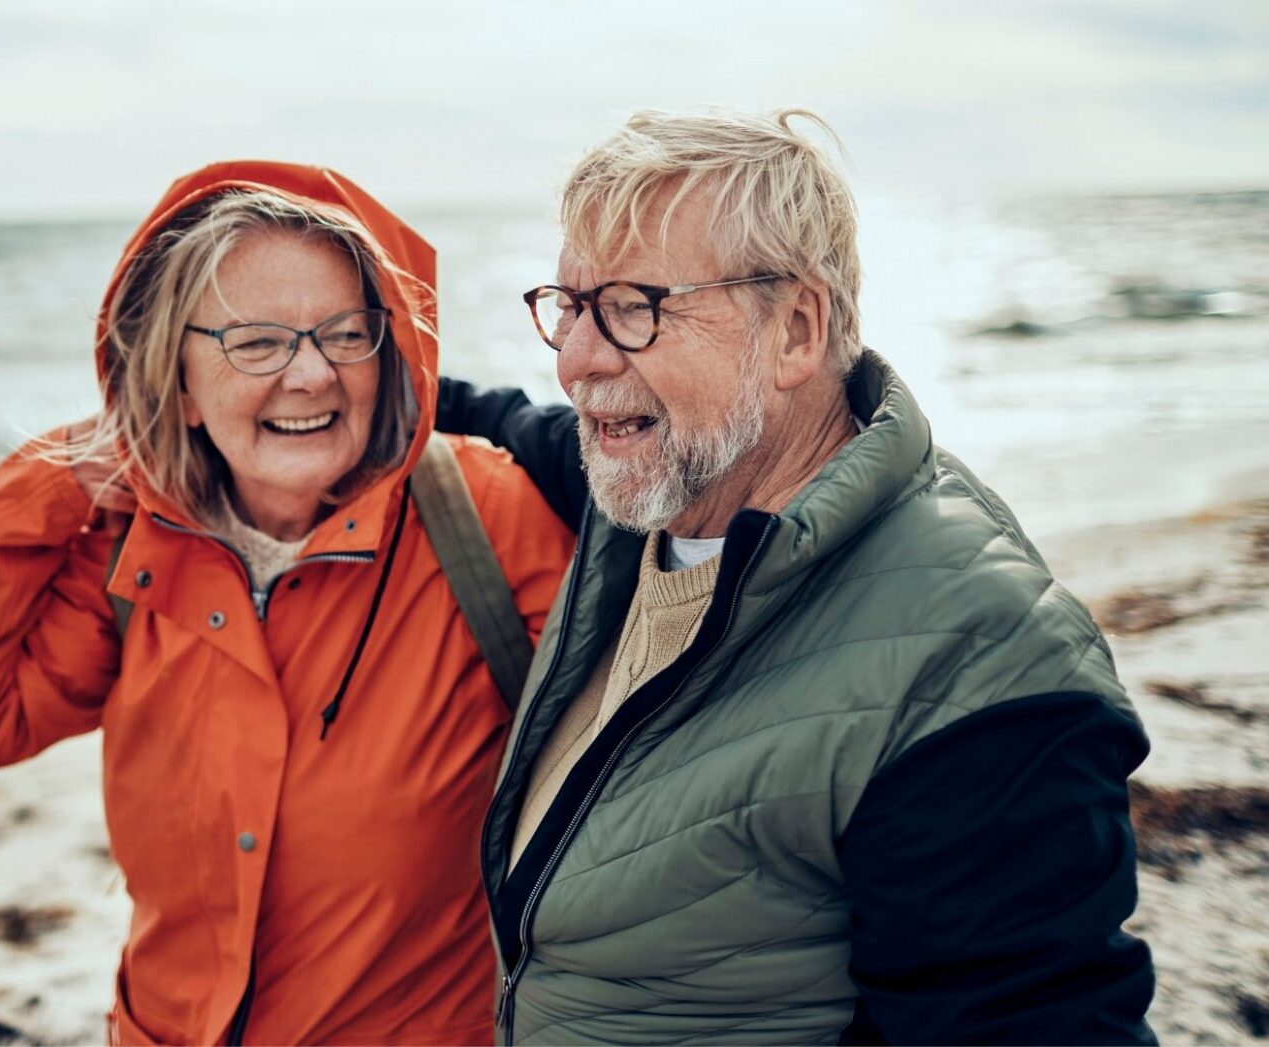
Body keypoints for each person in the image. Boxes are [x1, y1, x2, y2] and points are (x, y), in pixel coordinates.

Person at [435, 109, 1157, 1043]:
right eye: (569, 306)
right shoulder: (646, 494)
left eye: (634, 307)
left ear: (797, 331)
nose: (577, 359)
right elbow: (505, 420)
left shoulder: (975, 660)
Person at [0, 161, 572, 1044]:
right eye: (256, 342)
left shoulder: (483, 518)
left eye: (346, 335)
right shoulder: (132, 551)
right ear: (178, 379)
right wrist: (63, 472)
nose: (310, 376)